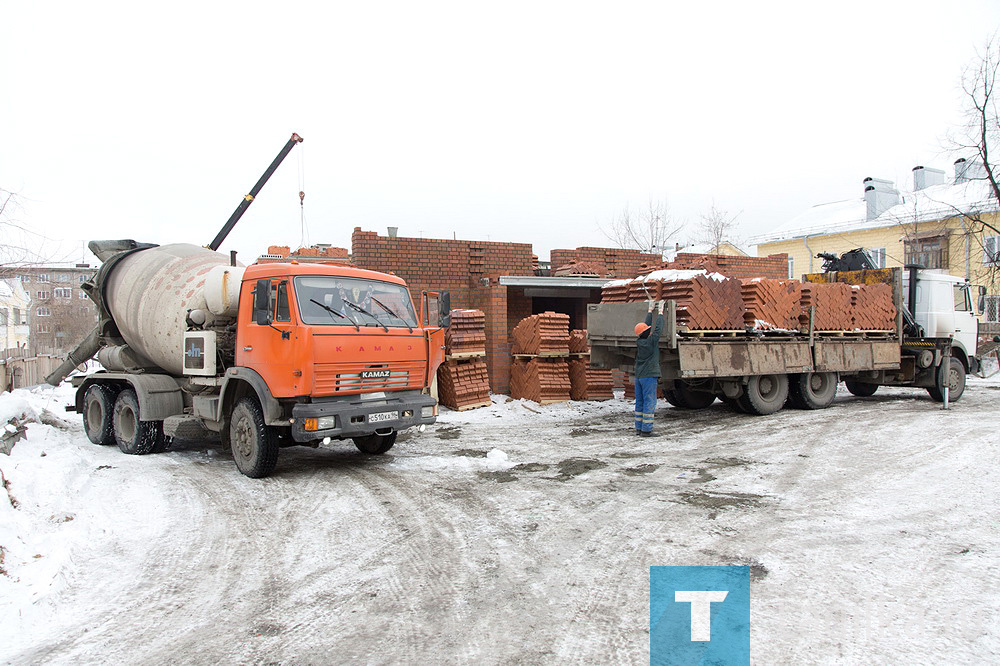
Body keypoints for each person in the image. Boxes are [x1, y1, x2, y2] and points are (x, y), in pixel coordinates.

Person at [634, 300, 664, 436]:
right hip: (649, 377)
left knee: (640, 402)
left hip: (639, 377)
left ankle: (639, 427)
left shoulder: (640, 341)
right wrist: (661, 312)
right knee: (649, 402)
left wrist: (650, 311)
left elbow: (647, 328)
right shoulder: (652, 342)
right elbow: (658, 329)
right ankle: (646, 430)